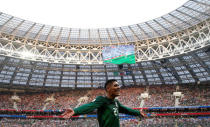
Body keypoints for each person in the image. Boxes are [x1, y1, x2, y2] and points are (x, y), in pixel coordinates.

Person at [62, 79, 146, 127]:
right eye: (116, 85)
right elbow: (90, 106)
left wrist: (138, 112)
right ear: (108, 88)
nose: (119, 87)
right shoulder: (102, 100)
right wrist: (75, 111)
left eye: (118, 85)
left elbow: (126, 110)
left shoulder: (116, 102)